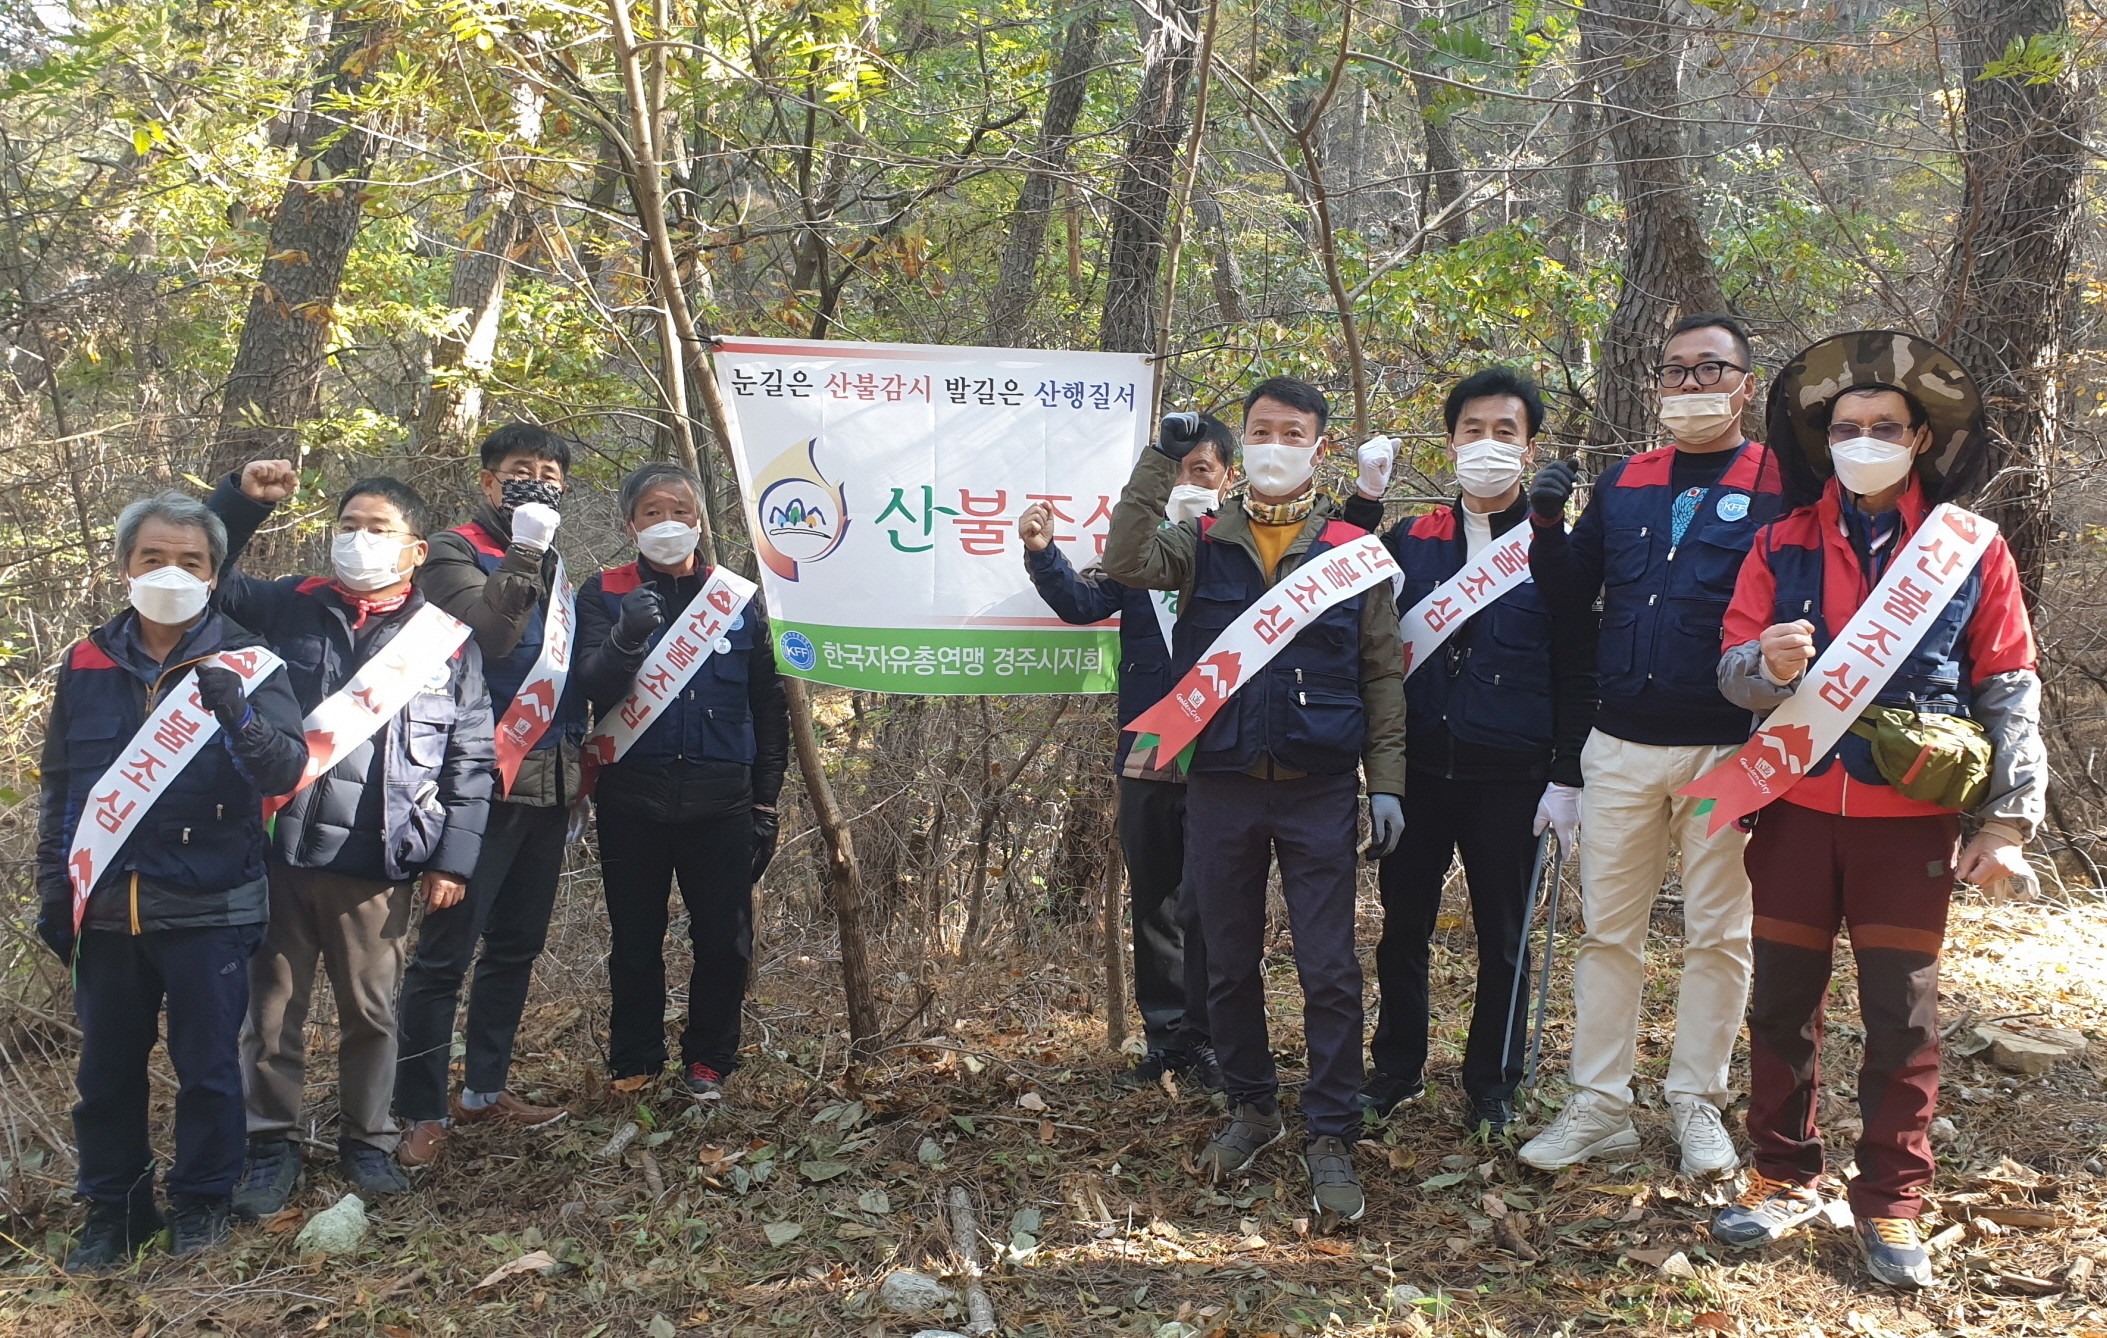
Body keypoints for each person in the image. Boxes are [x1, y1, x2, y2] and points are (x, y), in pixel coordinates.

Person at [1705, 332, 2042, 1288]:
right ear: (1824, 442)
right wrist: (1761, 668)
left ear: (1919, 437)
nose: (1863, 439)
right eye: (1845, 428)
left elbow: (2007, 682)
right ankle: (1778, 1172)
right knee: (1778, 1005)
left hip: (1911, 820)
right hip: (1796, 810)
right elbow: (1729, 672)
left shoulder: (1968, 548)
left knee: (1901, 1018)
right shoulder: (1779, 541)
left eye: (1882, 427)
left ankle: (1891, 1200)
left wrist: (2008, 817)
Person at [1104, 378, 1408, 1222]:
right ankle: (1251, 1108)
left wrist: (1385, 782)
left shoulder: (1352, 549)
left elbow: (1382, 670)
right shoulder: (1197, 539)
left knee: (1328, 968)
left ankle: (1331, 1131)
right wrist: (1160, 457)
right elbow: (1125, 557)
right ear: (1245, 446)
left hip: (1317, 787)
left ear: (1319, 448)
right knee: (1226, 959)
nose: (1276, 444)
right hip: (1222, 784)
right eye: (1262, 431)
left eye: (1293, 432)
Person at [1520, 314, 1783, 1178]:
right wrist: (1547, 521)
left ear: (1746, 382)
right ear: (1657, 386)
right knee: (1607, 933)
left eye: (1711, 370)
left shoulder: (1785, 483)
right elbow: (1566, 599)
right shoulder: (1627, 482)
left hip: (1727, 749)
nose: (1691, 387)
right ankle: (1599, 1103)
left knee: (1717, 934)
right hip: (1620, 744)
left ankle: (1694, 1100)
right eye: (1674, 372)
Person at [203, 464, 494, 1215]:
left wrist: (453, 857)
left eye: (378, 529)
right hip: (278, 849)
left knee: (373, 1012)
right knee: (269, 1014)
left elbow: (471, 756)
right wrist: (240, 502)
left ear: (416, 549)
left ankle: (367, 1140)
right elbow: (210, 574)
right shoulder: (287, 605)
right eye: (348, 526)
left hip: (379, 862)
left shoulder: (446, 644)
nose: (358, 541)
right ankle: (270, 1144)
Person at [36, 493, 308, 1269]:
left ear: (215, 574)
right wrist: (56, 890)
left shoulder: (248, 660)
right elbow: (62, 783)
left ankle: (201, 1203)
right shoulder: (87, 659)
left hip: (210, 902)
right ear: (125, 565)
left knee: (210, 1071)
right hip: (106, 908)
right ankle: (113, 1211)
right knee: (106, 1075)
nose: (170, 573)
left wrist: (240, 719)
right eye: (154, 557)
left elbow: (287, 768)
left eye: (190, 561)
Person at [1338, 369, 1597, 1137]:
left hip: (1512, 775)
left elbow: (1579, 665)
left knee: (1503, 937)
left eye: (1504, 432)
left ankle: (1492, 1081)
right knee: (1403, 929)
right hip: (1415, 769)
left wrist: (1566, 775)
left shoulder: (1558, 549)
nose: (1487, 445)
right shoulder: (1409, 538)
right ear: (1449, 441)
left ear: (1528, 446)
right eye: (1472, 430)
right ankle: (1395, 1070)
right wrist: (1362, 498)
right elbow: (1332, 582)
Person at [1018, 415, 1236, 1097]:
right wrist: (1041, 553)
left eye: (1201, 470)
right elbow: (1082, 604)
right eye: (1177, 470)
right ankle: (1165, 1037)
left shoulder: (1241, 549)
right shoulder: (1138, 555)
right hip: (1145, 746)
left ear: (1227, 479)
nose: (1188, 482)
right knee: (1155, 899)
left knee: (1212, 902)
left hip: (1223, 751)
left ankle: (1210, 1038)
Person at [394, 423, 584, 1164]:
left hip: (549, 783)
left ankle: (483, 1090)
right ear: (488, 481)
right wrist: (528, 550)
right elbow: (494, 635)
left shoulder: (559, 565)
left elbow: (567, 672)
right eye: (518, 471)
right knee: (445, 955)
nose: (534, 482)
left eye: (547, 472)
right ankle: (418, 1108)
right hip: (474, 779)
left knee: (514, 949)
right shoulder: (451, 550)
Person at [574, 463, 790, 1101]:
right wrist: (624, 637)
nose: (667, 523)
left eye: (680, 511)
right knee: (635, 942)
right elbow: (590, 686)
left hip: (722, 802)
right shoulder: (603, 592)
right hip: (631, 800)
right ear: (629, 523)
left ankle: (709, 1060)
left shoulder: (737, 597)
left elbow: (767, 706)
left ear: (699, 520)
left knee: (724, 942)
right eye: (651, 512)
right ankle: (635, 1062)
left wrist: (766, 803)